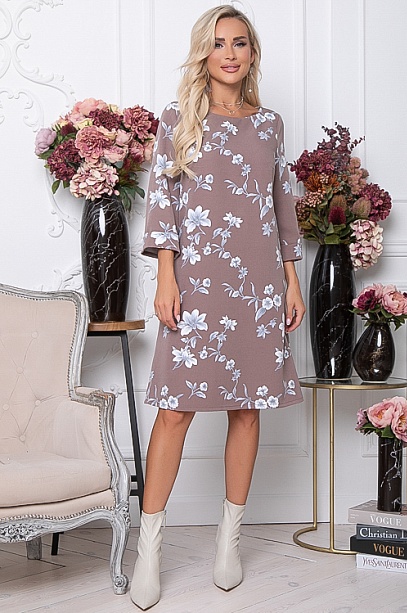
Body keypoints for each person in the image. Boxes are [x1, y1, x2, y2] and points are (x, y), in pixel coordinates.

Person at [130, 4, 305, 610]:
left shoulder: (270, 125)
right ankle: (149, 550)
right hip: (196, 284)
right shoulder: (177, 119)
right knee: (174, 411)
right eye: (219, 43)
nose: (229, 53)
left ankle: (229, 543)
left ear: (252, 54)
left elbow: (281, 206)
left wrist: (291, 281)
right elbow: (163, 201)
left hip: (259, 285)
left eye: (240, 43)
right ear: (203, 52)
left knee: (247, 409)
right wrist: (166, 276)